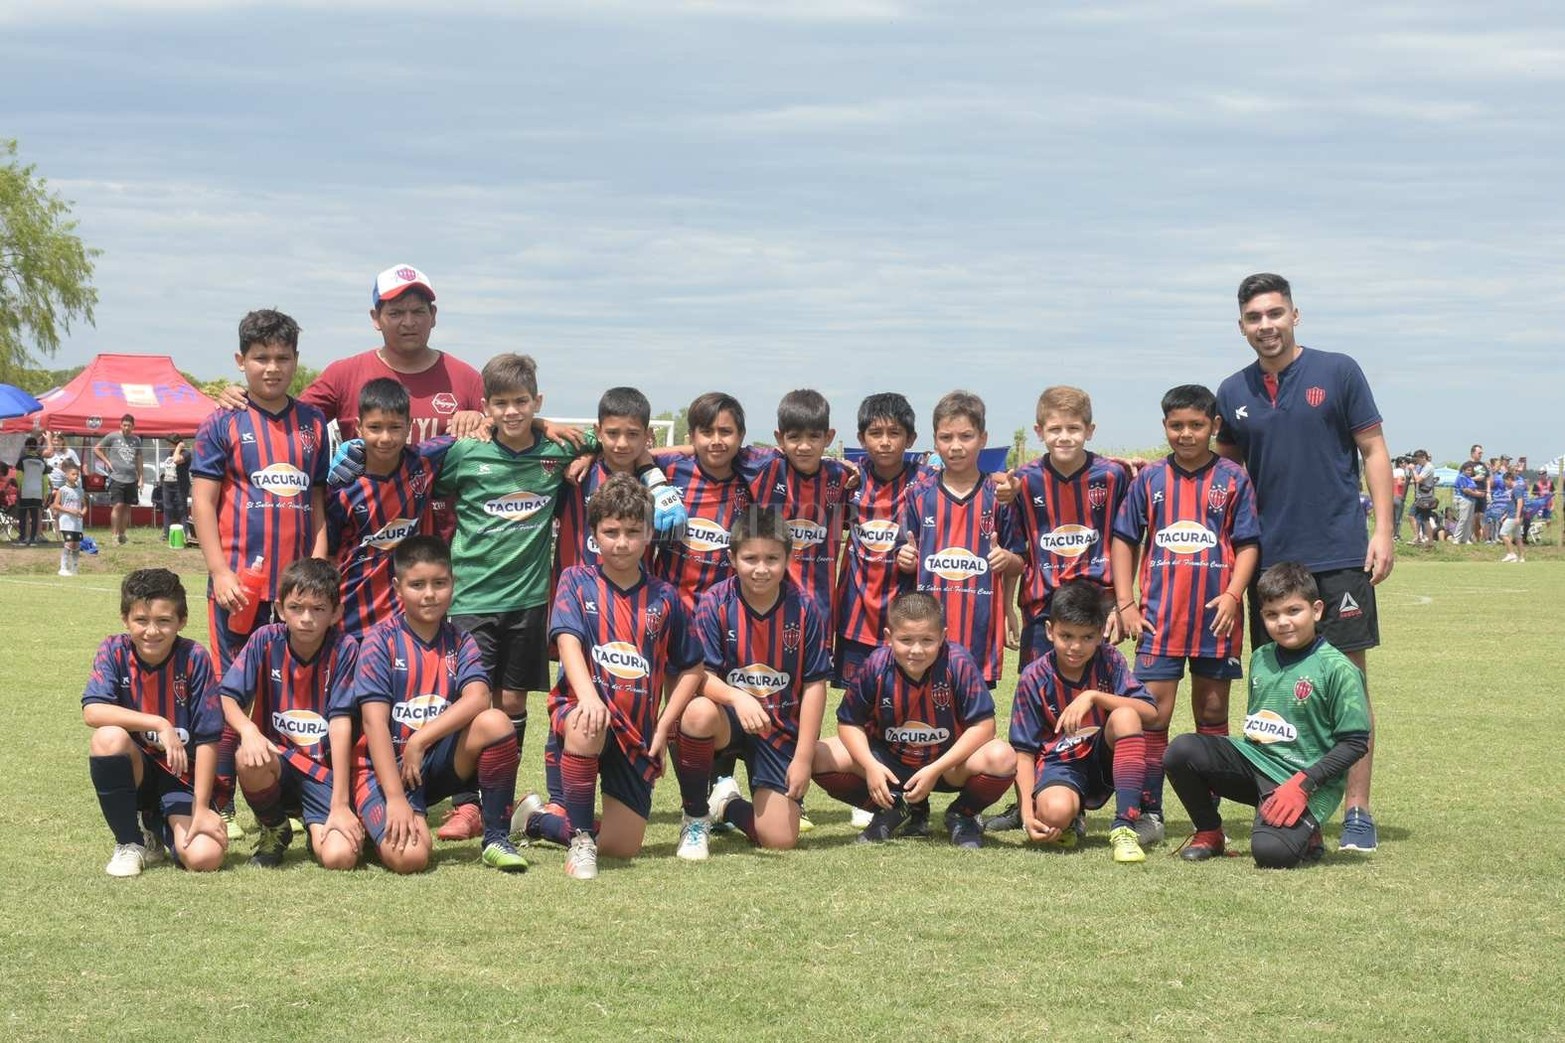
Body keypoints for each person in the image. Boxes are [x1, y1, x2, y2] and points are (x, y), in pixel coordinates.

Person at [1214, 273, 1392, 853]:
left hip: (1338, 552)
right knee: (1276, 688)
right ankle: (1283, 795)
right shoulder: (1231, 391)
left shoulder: (1339, 371)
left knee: (1349, 687)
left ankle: (1358, 811)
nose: (1265, 326)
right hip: (1266, 561)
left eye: (1274, 314)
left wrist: (1384, 530)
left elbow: (1373, 449)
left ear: (1295, 315)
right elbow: (1222, 479)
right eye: (1253, 318)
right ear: (1241, 326)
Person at [425, 353, 596, 842]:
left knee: (515, 700)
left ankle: (501, 796)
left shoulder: (556, 449)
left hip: (527, 600)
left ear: (537, 401)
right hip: (470, 599)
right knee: (471, 701)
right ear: (486, 407)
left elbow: (608, 440)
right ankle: (466, 804)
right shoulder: (464, 452)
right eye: (501, 403)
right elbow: (420, 475)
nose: (513, 412)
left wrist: (582, 452)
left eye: (522, 402)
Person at [515, 476, 705, 879]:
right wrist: (588, 697)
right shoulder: (575, 580)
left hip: (637, 731)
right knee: (587, 724)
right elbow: (567, 641)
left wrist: (665, 727)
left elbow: (691, 667)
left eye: (633, 532)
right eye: (611, 532)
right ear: (594, 533)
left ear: (649, 533)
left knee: (622, 846)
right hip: (581, 712)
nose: (622, 542)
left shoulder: (665, 597)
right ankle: (581, 840)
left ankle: (535, 820)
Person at [190, 309, 330, 836]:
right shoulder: (221, 422)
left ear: (296, 361)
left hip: (298, 592)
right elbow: (203, 503)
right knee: (234, 689)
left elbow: (317, 504)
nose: (272, 368)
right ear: (241, 361)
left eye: (283, 358)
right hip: (240, 585)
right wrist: (220, 571)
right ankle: (222, 796)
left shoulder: (314, 424)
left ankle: (294, 793)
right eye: (261, 358)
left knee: (294, 689)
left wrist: (317, 567)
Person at [1110, 384, 1260, 846]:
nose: (1187, 434)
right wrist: (1126, 604)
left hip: (1216, 620)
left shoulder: (1233, 478)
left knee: (1212, 713)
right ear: (1165, 427)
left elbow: (1248, 543)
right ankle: (1149, 812)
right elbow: (1123, 540)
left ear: (1214, 426)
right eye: (1177, 426)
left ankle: (1205, 817)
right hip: (1159, 619)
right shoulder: (1150, 480)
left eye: (1196, 425)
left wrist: (1234, 595)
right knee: (1154, 716)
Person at [1164, 562, 1370, 868]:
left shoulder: (1338, 668)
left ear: (1316, 610)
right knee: (1181, 751)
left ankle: (1308, 833)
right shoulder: (1261, 658)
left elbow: (1355, 743)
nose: (1283, 622)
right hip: (1260, 764)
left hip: (1307, 780)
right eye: (1272, 615)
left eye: (1293, 611)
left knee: (1272, 854)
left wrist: (1303, 783)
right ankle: (1209, 831)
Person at [350, 535, 528, 874]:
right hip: (381, 769)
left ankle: (496, 838)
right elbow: (374, 725)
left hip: (428, 765)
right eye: (417, 584)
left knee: (496, 722)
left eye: (439, 583)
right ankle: (370, 815)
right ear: (398, 588)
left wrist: (421, 739)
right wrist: (397, 798)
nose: (429, 594)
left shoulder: (461, 640)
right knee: (412, 858)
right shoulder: (379, 641)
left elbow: (477, 697)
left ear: (452, 584)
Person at [672, 507, 833, 858]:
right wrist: (738, 699)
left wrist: (804, 755)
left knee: (779, 838)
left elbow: (815, 685)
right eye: (750, 558)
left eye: (772, 558)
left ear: (788, 558)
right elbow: (702, 677)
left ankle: (726, 806)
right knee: (697, 713)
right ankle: (696, 815)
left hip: (778, 729)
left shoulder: (805, 609)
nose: (761, 568)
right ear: (732, 558)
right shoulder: (715, 602)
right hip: (729, 720)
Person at [814, 592, 1016, 848]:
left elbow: (984, 726)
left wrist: (935, 769)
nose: (917, 650)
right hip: (891, 764)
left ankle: (962, 815)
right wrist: (870, 766)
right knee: (816, 755)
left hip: (948, 766)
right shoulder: (875, 665)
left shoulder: (958, 663)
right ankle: (889, 808)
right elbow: (849, 722)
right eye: (906, 640)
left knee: (1003, 757)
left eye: (927, 640)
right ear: (889, 638)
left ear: (943, 636)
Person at [216, 558, 361, 869]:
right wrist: (249, 731)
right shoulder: (264, 639)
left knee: (339, 858)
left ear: (335, 613)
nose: (306, 618)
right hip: (277, 761)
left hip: (325, 772)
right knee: (247, 756)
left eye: (318, 609)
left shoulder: (346, 649)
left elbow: (340, 723)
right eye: (296, 608)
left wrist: (340, 803)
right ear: (281, 609)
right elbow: (227, 698)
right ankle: (275, 828)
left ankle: (316, 827)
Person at [82, 569, 227, 876]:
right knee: (108, 738)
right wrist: (159, 723)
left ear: (182, 621)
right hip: (137, 772)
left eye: (164, 621)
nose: (151, 631)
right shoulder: (113, 650)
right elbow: (93, 711)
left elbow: (209, 739)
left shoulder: (195, 658)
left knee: (205, 858)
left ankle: (158, 827)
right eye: (141, 620)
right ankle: (130, 842)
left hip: (181, 778)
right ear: (125, 619)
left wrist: (201, 809)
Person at [1008, 580, 1158, 864]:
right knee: (1053, 814)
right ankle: (1071, 816)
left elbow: (1150, 713)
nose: (1076, 647)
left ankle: (1124, 827)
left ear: (1102, 632)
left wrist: (1094, 697)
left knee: (1126, 715)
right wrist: (1027, 814)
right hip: (1060, 764)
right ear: (1050, 631)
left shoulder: (1110, 660)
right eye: (1067, 636)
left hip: (1105, 759)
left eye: (1087, 637)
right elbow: (1024, 753)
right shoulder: (1033, 676)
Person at [896, 390, 1022, 687]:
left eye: (966, 437)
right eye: (945, 438)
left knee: (973, 719)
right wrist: (904, 559)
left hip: (980, 630)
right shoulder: (918, 495)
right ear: (935, 440)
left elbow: (1019, 560)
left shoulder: (999, 496)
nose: (955, 447)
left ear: (983, 438)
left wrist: (1007, 560)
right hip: (925, 633)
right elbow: (904, 559)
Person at [1006, 386, 1132, 667]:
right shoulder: (1024, 482)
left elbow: (1127, 542)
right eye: (1055, 429)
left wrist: (1121, 603)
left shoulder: (1112, 476)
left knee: (1097, 690)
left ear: (1090, 430)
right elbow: (1015, 549)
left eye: (1073, 428)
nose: (1064, 437)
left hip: (1098, 603)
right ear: (1039, 432)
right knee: (1037, 686)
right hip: (1042, 604)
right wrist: (1006, 606)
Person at [323, 378, 450, 637]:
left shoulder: (424, 461)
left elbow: (482, 432)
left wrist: (538, 422)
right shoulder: (341, 488)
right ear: (358, 428)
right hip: (352, 618)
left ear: (409, 427)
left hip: (407, 618)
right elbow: (330, 554)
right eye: (375, 427)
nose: (385, 437)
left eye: (394, 427)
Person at [834, 393, 934, 689]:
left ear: (911, 438)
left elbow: (973, 481)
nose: (885, 441)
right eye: (875, 433)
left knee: (908, 695)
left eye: (895, 433)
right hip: (856, 614)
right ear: (862, 439)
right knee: (858, 702)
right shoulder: (847, 479)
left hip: (907, 617)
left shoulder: (929, 481)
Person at [651, 392, 772, 613]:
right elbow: (632, 453)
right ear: (692, 436)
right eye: (707, 432)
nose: (716, 441)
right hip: (670, 611)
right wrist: (588, 455)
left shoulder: (756, 476)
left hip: (726, 615)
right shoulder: (671, 469)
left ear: (741, 435)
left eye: (725, 432)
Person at [747, 389, 854, 637]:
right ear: (780, 438)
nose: (804, 446)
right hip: (761, 601)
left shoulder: (841, 477)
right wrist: (646, 462)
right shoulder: (763, 466)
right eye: (794, 437)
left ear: (828, 437)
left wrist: (853, 468)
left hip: (819, 608)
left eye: (814, 437)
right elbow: (710, 449)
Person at [93, 414, 143, 545]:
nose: (126, 428)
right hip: (117, 477)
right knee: (118, 505)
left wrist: (141, 478)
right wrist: (108, 462)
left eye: (129, 426)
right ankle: (114, 535)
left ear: (133, 426)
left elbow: (139, 459)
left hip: (131, 478)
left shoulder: (136, 440)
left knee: (127, 507)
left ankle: (122, 534)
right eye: (124, 425)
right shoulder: (112, 436)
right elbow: (97, 449)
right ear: (120, 425)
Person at [51, 461, 87, 575]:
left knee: (76, 544)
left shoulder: (80, 490)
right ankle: (63, 567)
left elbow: (84, 505)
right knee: (69, 542)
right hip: (66, 521)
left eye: (77, 474)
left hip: (77, 522)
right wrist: (70, 511)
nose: (76, 477)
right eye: (73, 474)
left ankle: (74, 568)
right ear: (67, 475)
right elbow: (56, 505)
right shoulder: (62, 490)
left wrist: (82, 512)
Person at [13, 435, 46, 546]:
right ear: (36, 447)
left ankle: (22, 539)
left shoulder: (22, 460)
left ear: (26, 447)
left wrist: (19, 488)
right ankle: (33, 540)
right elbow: (45, 479)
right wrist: (44, 493)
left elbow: (19, 476)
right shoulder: (42, 461)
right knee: (35, 516)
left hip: (25, 491)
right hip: (37, 492)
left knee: (23, 515)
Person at [159, 435, 191, 542]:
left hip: (180, 485)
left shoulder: (186, 454)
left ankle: (185, 533)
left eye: (171, 443)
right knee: (167, 508)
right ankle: (166, 533)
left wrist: (178, 448)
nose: (169, 446)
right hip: (168, 484)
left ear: (177, 443)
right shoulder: (169, 454)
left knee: (181, 509)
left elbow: (177, 460)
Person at [1408, 450, 1439, 546]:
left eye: (1418, 459)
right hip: (1420, 497)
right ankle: (1417, 538)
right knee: (1413, 516)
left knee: (1425, 520)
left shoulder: (1428, 467)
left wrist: (1413, 469)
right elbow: (1415, 479)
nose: (1417, 462)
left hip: (1425, 498)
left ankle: (1429, 542)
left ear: (1423, 458)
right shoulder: (1422, 467)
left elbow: (1418, 479)